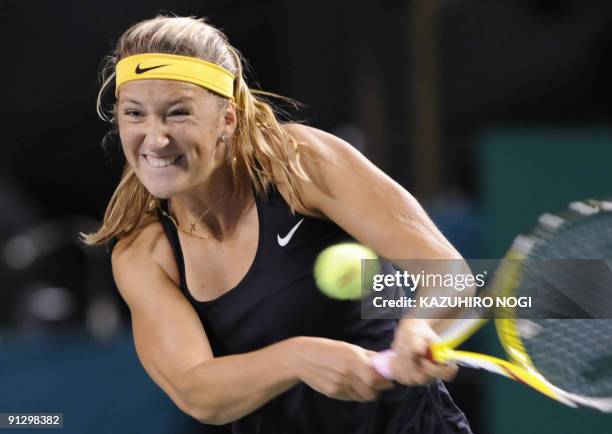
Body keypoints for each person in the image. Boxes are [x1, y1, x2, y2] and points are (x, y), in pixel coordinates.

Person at [84, 15, 473, 433]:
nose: (155, 138)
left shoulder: (297, 163)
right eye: (134, 114)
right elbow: (197, 392)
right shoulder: (141, 253)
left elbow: (452, 276)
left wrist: (417, 329)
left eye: (178, 113)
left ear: (227, 121)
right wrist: (297, 358)